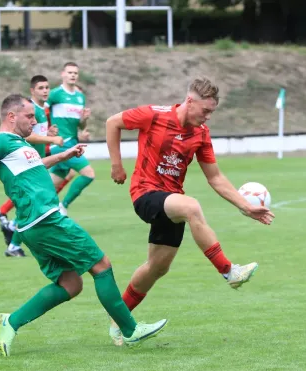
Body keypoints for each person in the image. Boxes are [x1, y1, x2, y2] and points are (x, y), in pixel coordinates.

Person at [0, 94, 168, 357]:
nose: (35, 122)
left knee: (71, 283)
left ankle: (10, 322)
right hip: (46, 218)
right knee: (101, 266)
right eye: (29, 116)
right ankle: (129, 330)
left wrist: (63, 156)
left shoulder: (17, 143)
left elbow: (35, 166)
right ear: (11, 116)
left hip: (32, 225)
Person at [105, 78, 275, 346]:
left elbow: (216, 178)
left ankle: (119, 321)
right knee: (191, 206)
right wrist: (117, 164)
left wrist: (247, 207)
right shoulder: (154, 115)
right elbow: (112, 122)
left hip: (171, 202)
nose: (208, 117)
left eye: (212, 112)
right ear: (189, 101)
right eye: (205, 111)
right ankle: (229, 271)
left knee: (157, 267)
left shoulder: (201, 134)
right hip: (146, 194)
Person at [0, 75, 64, 257]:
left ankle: (13, 236)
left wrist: (47, 133)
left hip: (38, 162)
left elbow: (35, 133)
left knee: (35, 203)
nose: (46, 91)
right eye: (41, 88)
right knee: (34, 204)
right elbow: (28, 137)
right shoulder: (32, 111)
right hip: (29, 166)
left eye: (48, 87)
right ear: (32, 90)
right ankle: (14, 241)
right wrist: (52, 138)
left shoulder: (41, 110)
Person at [48, 62, 94, 216]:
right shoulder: (55, 94)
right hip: (61, 144)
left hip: (73, 144)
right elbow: (41, 111)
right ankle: (63, 205)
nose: (73, 75)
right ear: (63, 74)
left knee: (47, 190)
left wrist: (84, 119)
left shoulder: (80, 98)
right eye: (70, 72)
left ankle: (16, 224)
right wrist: (46, 132)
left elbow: (80, 126)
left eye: (75, 73)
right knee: (89, 174)